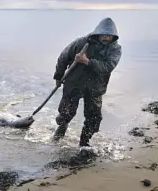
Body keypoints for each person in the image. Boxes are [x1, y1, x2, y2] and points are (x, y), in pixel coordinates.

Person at [52, 17, 122, 147]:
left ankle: (84, 143)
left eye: (109, 36)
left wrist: (87, 61)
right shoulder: (81, 43)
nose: (106, 38)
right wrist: (58, 76)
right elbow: (64, 57)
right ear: (98, 33)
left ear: (114, 36)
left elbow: (108, 67)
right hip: (74, 83)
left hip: (96, 87)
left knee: (94, 118)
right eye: (104, 35)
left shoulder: (115, 49)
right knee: (66, 112)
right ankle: (60, 131)